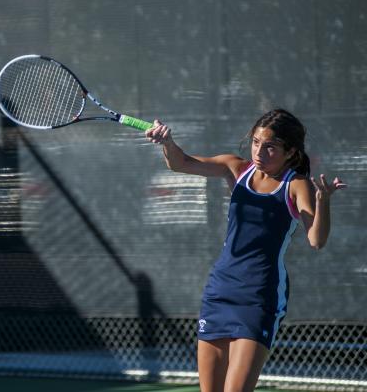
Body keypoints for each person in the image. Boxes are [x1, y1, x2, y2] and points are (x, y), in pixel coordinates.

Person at [145, 108, 346, 392]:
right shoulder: (236, 168)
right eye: (255, 142)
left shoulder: (296, 185)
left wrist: (323, 201)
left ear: (290, 152)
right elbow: (181, 163)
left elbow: (316, 239)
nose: (259, 152)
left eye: (270, 147)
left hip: (259, 297)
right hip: (220, 291)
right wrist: (167, 143)